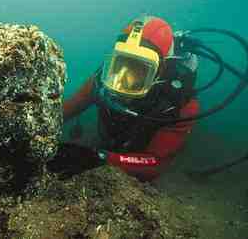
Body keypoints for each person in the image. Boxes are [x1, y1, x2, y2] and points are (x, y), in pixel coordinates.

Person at [63, 16, 200, 181]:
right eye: (119, 65)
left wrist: (98, 157)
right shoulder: (101, 80)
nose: (120, 79)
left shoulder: (180, 105)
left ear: (161, 69)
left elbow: (156, 163)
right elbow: (64, 111)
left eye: (138, 70)